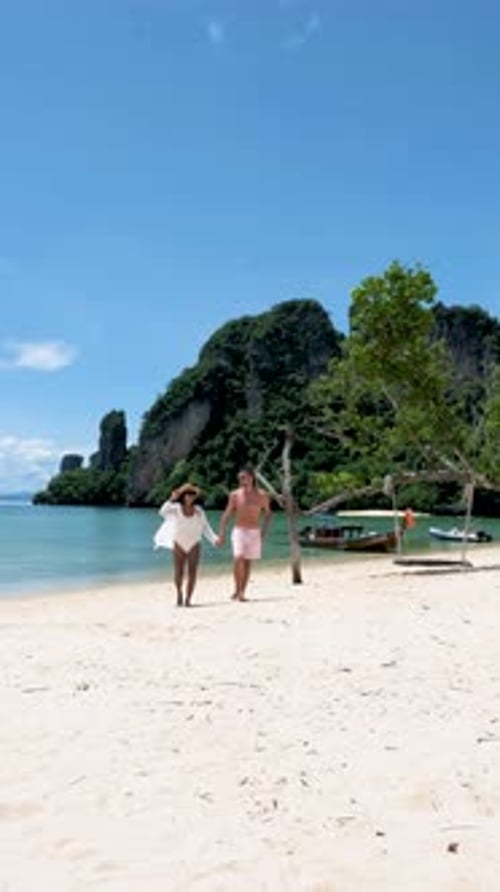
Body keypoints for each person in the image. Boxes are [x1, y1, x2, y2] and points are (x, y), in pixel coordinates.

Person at [153, 483, 220, 607]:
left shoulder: (199, 511)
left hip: (195, 543)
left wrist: (214, 539)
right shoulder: (176, 508)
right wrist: (171, 498)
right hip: (179, 542)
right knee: (179, 572)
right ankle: (179, 593)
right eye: (188, 494)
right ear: (183, 496)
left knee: (193, 572)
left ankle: (188, 599)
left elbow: (206, 528)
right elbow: (162, 512)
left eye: (193, 494)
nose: (190, 497)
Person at [218, 466, 272, 602]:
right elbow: (227, 514)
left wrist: (264, 532)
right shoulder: (235, 495)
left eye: (244, 477)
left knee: (247, 563)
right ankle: (237, 589)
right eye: (240, 478)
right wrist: (222, 533)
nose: (241, 480)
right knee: (238, 557)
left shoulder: (262, 495)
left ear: (251, 477)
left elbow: (268, 514)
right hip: (239, 531)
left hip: (254, 531)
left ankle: (242, 592)